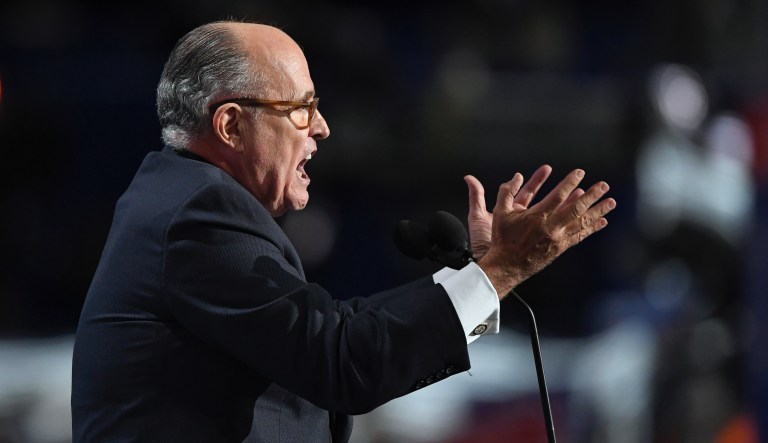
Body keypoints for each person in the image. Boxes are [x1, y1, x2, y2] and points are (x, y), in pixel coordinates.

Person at [71, 21, 616, 442]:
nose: (322, 127)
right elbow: (339, 360)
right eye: (301, 108)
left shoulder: (178, 199)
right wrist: (503, 270)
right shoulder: (198, 215)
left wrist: (482, 274)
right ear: (231, 124)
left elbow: (330, 329)